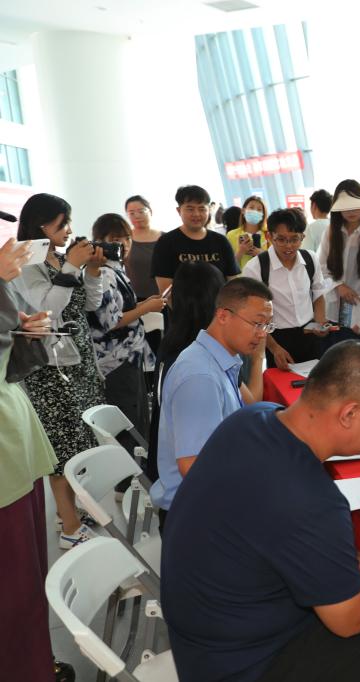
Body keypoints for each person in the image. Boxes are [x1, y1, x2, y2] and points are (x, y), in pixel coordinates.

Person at [162, 341, 360, 682]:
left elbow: (267, 526)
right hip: (246, 663)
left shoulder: (252, 418)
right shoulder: (312, 499)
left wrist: (327, 559)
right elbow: (349, 620)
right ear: (349, 414)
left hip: (202, 634)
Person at [14, 193, 107, 551]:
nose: (69, 230)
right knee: (62, 445)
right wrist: (71, 267)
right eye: (62, 223)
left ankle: (70, 513)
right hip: (50, 368)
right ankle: (69, 526)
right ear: (41, 225)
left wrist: (92, 271)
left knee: (79, 439)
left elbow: (90, 304)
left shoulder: (59, 257)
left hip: (77, 360)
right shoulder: (28, 261)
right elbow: (48, 309)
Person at [0, 238, 74, 682]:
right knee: (11, 586)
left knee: (27, 579)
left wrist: (26, 331)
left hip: (16, 438)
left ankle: (34, 664)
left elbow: (10, 361)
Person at [150, 277, 273, 524]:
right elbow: (193, 467)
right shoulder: (200, 376)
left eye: (267, 326)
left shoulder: (215, 359)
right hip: (199, 514)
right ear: (223, 316)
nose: (262, 334)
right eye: (257, 324)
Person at [86, 214, 162, 436]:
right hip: (116, 360)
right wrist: (146, 308)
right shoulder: (104, 273)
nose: (124, 244)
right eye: (115, 239)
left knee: (139, 418)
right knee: (129, 424)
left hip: (130, 355)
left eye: (127, 238)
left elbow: (120, 309)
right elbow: (111, 321)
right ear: (99, 241)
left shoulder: (116, 269)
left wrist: (144, 304)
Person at [242, 208, 328, 367]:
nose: (288, 246)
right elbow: (253, 316)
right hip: (276, 340)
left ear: (302, 237)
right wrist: (274, 348)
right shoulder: (256, 268)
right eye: (281, 239)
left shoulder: (310, 259)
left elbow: (318, 294)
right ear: (269, 236)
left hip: (310, 335)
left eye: (295, 239)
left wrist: (320, 323)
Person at [318, 181, 360, 349]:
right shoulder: (331, 231)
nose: (351, 211)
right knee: (337, 358)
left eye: (355, 205)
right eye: (346, 207)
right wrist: (339, 286)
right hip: (334, 309)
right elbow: (321, 267)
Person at [151, 185, 240, 293]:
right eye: (190, 209)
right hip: (182, 304)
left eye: (202, 209)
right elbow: (165, 290)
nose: (196, 214)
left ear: (209, 210)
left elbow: (233, 281)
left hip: (220, 303)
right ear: (179, 211)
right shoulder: (166, 243)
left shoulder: (221, 241)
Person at [124, 194, 162, 300]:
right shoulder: (125, 240)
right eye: (131, 213)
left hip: (163, 296)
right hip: (134, 298)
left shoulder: (166, 238)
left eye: (141, 211)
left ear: (151, 211)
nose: (137, 216)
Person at [227, 195, 271, 269]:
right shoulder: (231, 235)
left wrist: (263, 254)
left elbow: (279, 259)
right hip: (243, 275)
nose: (255, 211)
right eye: (251, 207)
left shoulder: (269, 234)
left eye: (259, 209)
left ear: (263, 214)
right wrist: (240, 251)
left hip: (266, 275)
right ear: (243, 211)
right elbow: (229, 266)